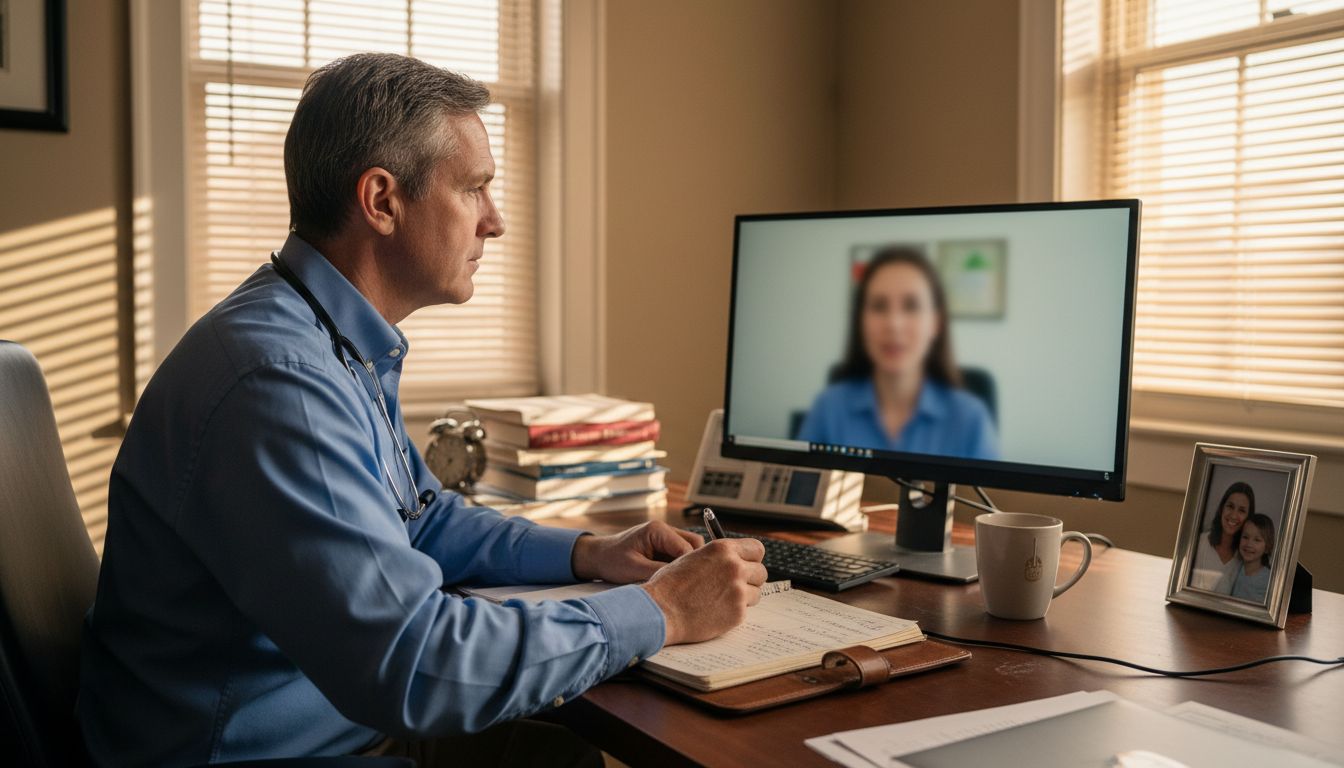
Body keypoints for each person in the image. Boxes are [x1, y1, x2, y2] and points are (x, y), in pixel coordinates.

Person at [77, 53, 767, 767]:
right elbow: (414, 664)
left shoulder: (325, 338)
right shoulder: (279, 383)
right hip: (249, 756)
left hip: (331, 723)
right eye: (474, 189)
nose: (494, 222)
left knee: (562, 754)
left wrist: (588, 553)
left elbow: (418, 518)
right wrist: (665, 610)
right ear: (381, 201)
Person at [796, 247, 998, 459]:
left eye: (911, 306)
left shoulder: (971, 419)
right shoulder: (828, 409)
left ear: (935, 323)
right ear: (860, 321)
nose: (894, 324)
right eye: (879, 306)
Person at [1190, 481, 1253, 591]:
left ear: (1248, 518)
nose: (1234, 515)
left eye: (1242, 511)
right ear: (1221, 509)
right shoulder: (1198, 543)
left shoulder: (1245, 558)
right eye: (1230, 506)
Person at [1213, 512, 1276, 603]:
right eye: (1245, 537)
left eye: (1257, 540)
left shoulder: (1270, 580)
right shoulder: (1234, 569)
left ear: (1267, 547)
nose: (1249, 544)